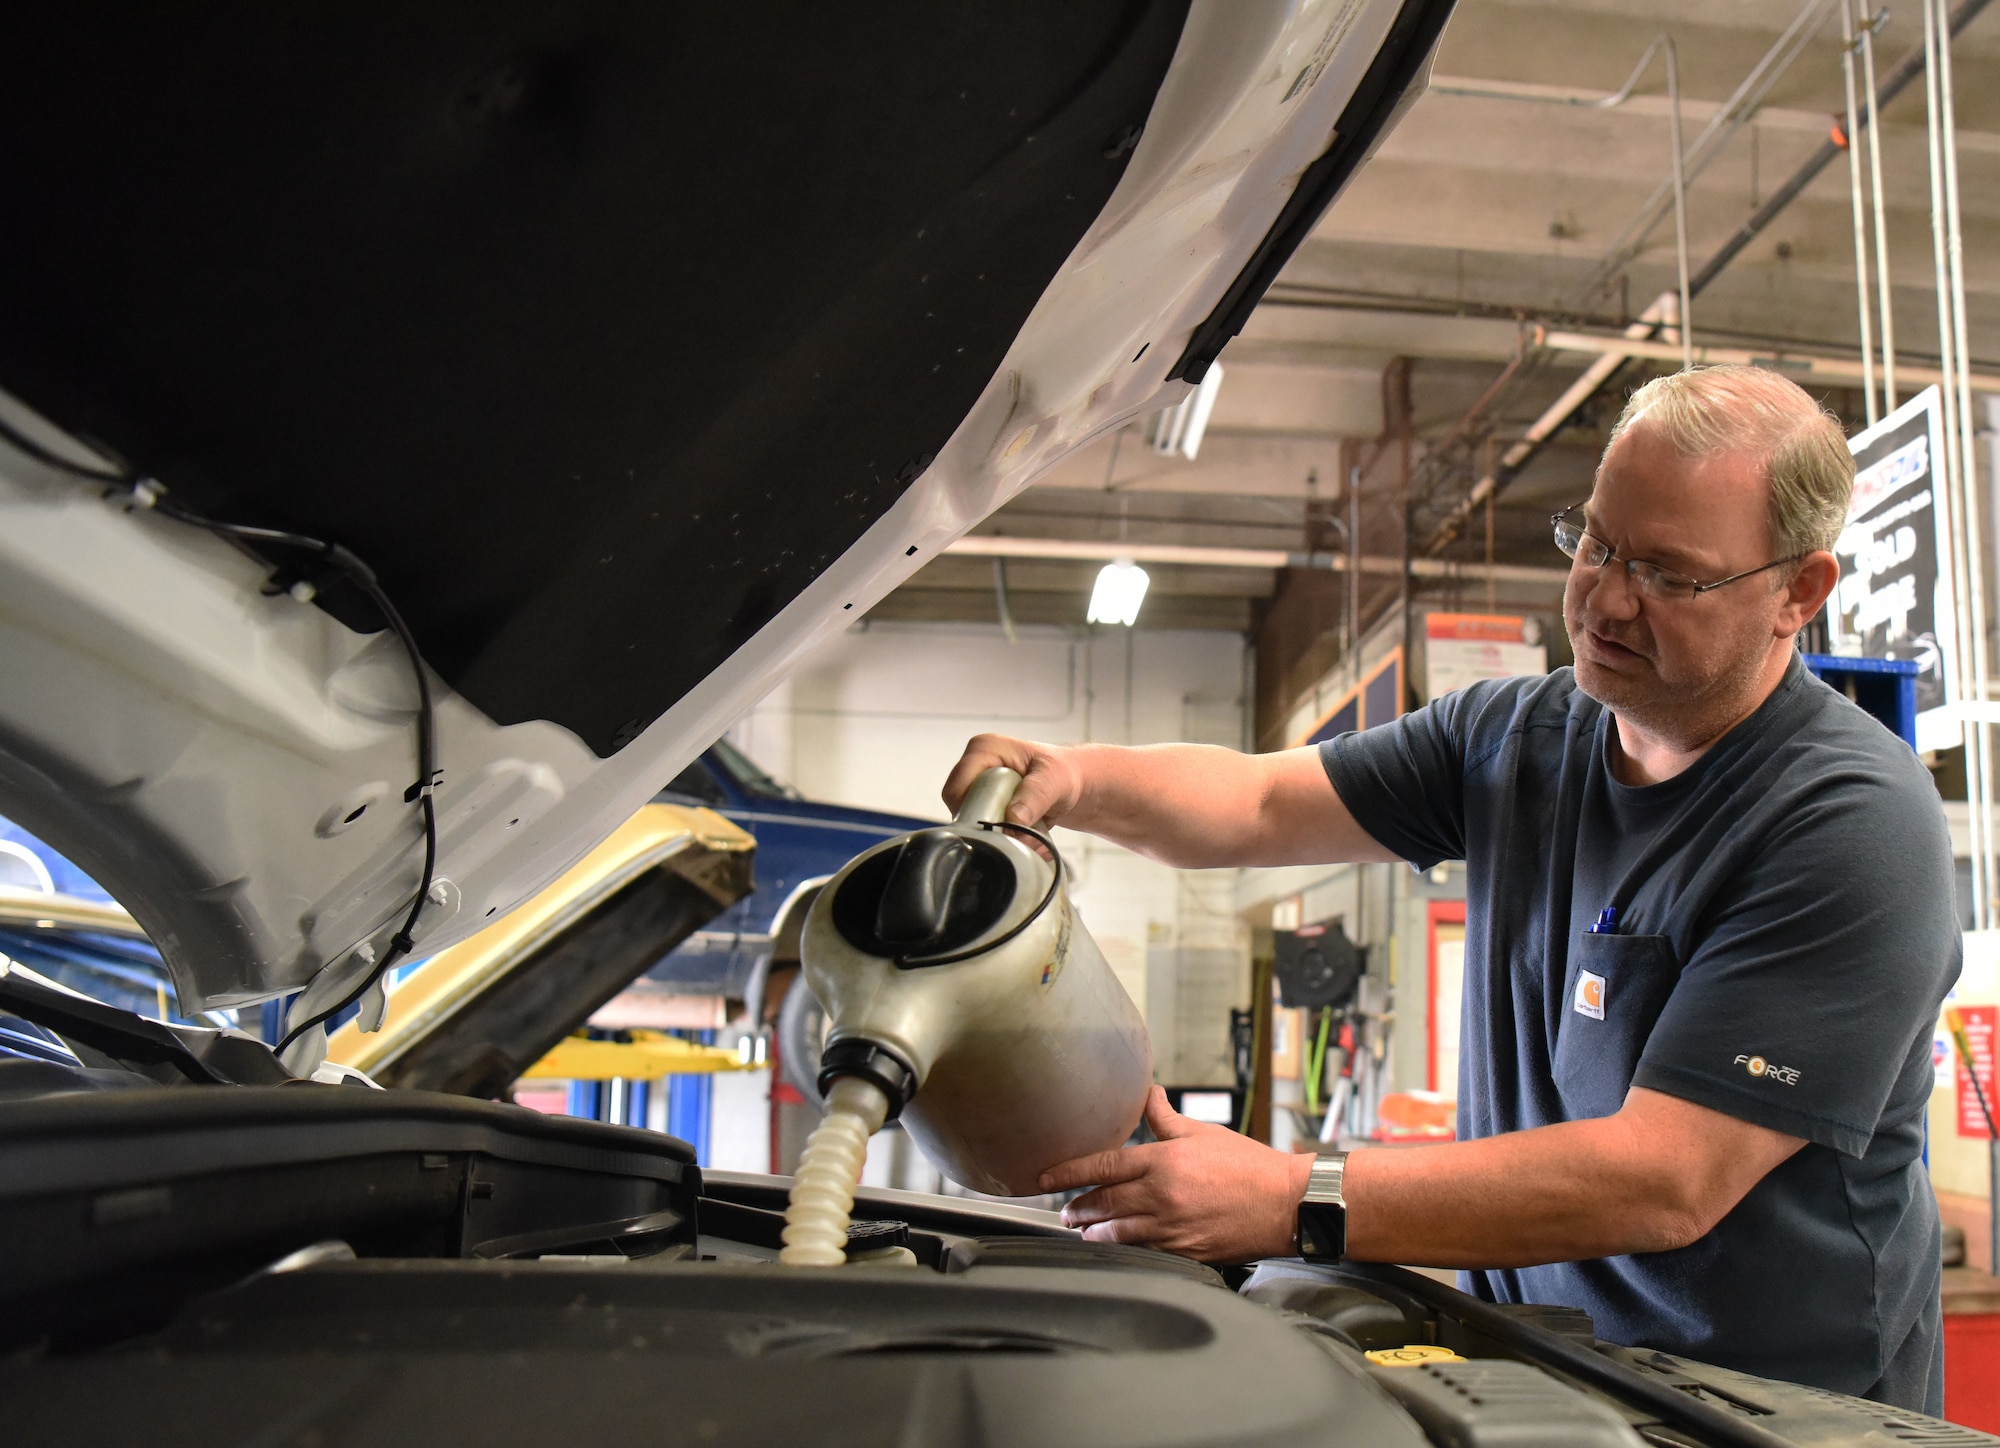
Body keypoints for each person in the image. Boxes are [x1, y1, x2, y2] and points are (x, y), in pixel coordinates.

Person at [940, 366, 1959, 1413]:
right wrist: (1076, 779)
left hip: (1769, 1410)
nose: (1604, 598)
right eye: (1598, 543)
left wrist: (1295, 1195)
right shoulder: (1516, 737)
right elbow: (1253, 803)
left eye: (1666, 573)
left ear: (1798, 590)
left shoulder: (1846, 823)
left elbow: (1666, 1177)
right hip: (1548, 1379)